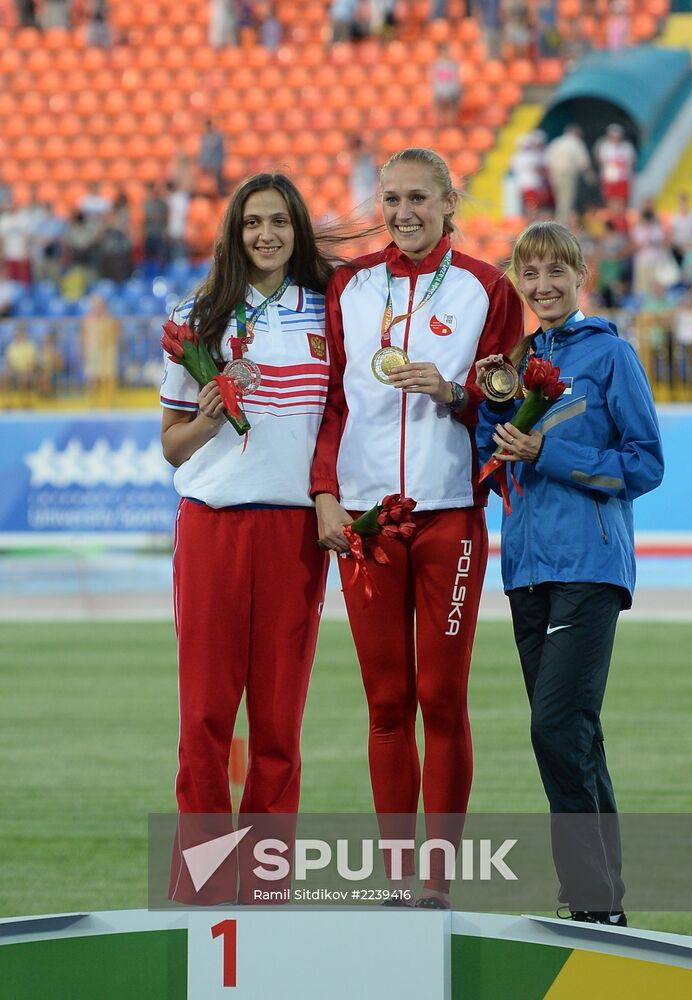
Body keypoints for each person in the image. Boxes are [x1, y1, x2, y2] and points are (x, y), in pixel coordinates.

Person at [311, 147, 524, 909]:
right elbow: (330, 403)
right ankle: (399, 878)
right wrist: (324, 493)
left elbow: (506, 400)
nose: (403, 212)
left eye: (419, 199)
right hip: (367, 521)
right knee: (387, 701)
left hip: (448, 519)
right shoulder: (349, 286)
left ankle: (440, 878)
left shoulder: (484, 286)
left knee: (442, 695)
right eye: (392, 198)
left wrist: (456, 391)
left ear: (448, 202)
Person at [475, 221, 664, 927]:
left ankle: (587, 897)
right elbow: (497, 462)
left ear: (579, 275)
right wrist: (483, 425)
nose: (544, 285)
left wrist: (542, 454)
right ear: (519, 283)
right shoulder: (515, 358)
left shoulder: (611, 354)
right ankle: (604, 905)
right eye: (531, 274)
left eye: (557, 271)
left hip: (589, 563)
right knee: (575, 732)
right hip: (525, 568)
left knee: (555, 726)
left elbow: (645, 464)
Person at [161, 173, 335, 905]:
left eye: (280, 222)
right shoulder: (197, 316)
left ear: (297, 231)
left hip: (294, 534)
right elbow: (173, 446)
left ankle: (265, 889)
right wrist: (207, 415)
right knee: (204, 715)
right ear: (233, 232)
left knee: (278, 721)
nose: (266, 235)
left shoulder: (332, 313)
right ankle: (203, 888)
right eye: (253, 222)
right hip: (213, 528)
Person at [81, 294, 120, 405]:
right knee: (93, 378)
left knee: (109, 377)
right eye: (96, 305)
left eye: (100, 305)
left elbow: (115, 332)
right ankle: (93, 402)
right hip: (93, 351)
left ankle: (111, 401)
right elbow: (84, 336)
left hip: (107, 351)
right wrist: (84, 351)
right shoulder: (88, 319)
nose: (98, 307)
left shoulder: (109, 319)